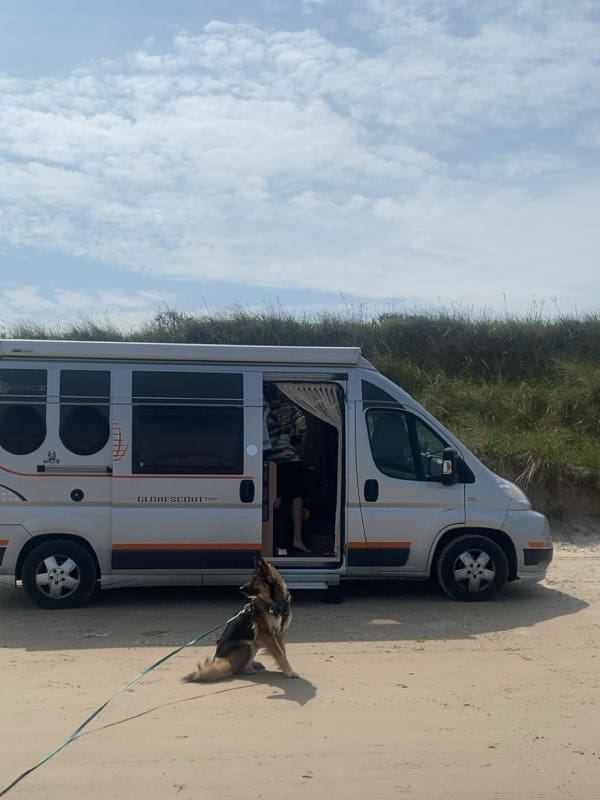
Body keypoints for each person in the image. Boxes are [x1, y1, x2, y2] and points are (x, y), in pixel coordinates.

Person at [263, 383, 310, 554]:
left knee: (276, 503)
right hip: (290, 461)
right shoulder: (291, 410)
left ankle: (276, 542)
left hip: (271, 464)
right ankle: (297, 539)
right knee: (296, 501)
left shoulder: (261, 411)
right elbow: (302, 428)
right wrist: (295, 440)